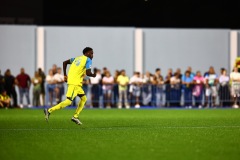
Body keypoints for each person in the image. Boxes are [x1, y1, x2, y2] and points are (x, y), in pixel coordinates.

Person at [44, 47, 97, 125]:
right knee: (68, 101)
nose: (92, 55)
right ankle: (49, 110)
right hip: (74, 84)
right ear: (87, 53)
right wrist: (93, 75)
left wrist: (65, 75)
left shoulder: (76, 58)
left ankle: (75, 116)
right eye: (91, 53)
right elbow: (88, 73)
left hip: (76, 84)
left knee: (84, 98)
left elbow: (64, 62)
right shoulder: (88, 60)